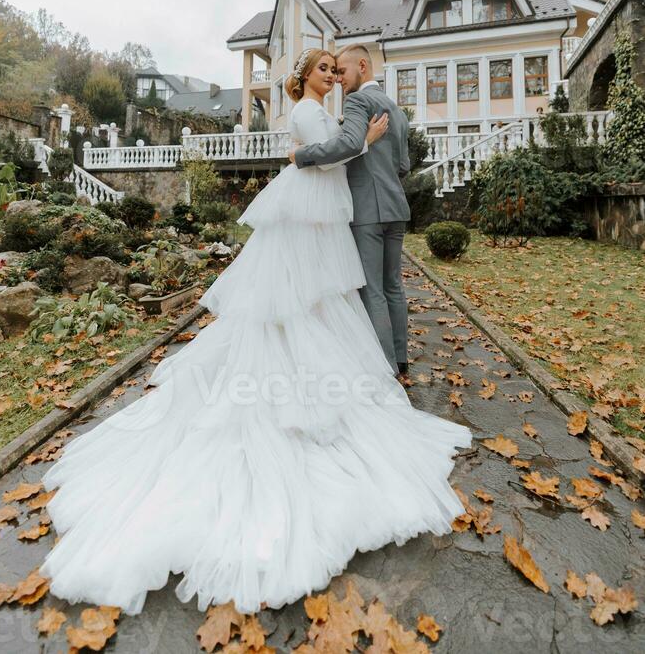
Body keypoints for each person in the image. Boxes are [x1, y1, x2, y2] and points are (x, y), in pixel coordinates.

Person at [38, 47, 472, 617]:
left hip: (329, 206)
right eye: (324, 68)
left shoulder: (341, 107)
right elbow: (325, 154)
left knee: (333, 296)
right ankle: (358, 367)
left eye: (335, 67)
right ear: (307, 77)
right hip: (314, 203)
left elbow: (339, 151)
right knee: (313, 297)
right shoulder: (313, 112)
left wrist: (352, 144)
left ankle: (374, 363)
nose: (332, 74)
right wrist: (345, 146)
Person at [290, 43, 411, 377]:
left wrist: (300, 156)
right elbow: (403, 164)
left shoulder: (359, 100)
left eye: (341, 71)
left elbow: (346, 144)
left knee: (371, 289)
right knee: (393, 287)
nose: (339, 79)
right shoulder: (396, 109)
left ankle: (384, 369)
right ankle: (401, 359)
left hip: (367, 207)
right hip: (396, 206)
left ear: (362, 65)